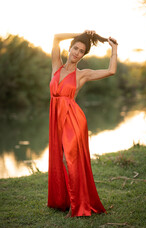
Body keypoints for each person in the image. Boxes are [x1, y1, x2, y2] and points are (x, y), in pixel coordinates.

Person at [48, 30, 118, 217]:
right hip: (56, 118)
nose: (76, 53)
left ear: (83, 55)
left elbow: (111, 71)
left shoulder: (83, 74)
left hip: (73, 119)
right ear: (70, 48)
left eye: (81, 51)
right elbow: (55, 37)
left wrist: (114, 50)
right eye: (75, 48)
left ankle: (77, 204)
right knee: (60, 158)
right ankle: (64, 200)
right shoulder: (56, 67)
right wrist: (81, 33)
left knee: (68, 159)